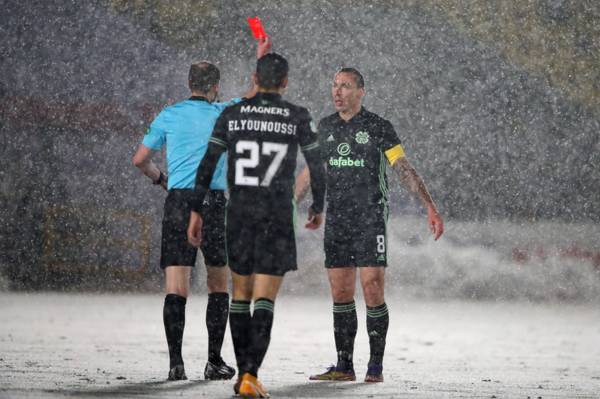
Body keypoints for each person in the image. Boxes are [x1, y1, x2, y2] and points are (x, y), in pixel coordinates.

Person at [187, 53, 326, 398]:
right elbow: (317, 166)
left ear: (254, 77)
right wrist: (317, 205)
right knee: (264, 298)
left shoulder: (231, 115)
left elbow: (207, 164)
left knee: (241, 295)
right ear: (285, 82)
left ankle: (244, 375)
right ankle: (249, 374)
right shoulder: (297, 116)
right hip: (276, 215)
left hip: (240, 215)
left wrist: (195, 210)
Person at [132, 37, 272, 381]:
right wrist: (261, 57)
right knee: (218, 283)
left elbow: (139, 160)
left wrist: (161, 179)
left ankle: (175, 364)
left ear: (188, 85)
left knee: (176, 286)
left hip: (179, 200)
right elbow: (257, 93)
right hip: (215, 201)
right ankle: (213, 360)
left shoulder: (169, 114)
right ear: (216, 87)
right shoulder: (223, 112)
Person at [295, 67, 444, 383]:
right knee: (340, 292)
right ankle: (343, 365)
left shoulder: (379, 127)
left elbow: (403, 169)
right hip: (338, 220)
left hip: (371, 217)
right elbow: (311, 174)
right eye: (334, 85)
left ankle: (375, 365)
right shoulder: (326, 128)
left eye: (345, 86)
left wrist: (429, 206)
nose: (337, 92)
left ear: (361, 91)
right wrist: (287, 205)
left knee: (372, 286)